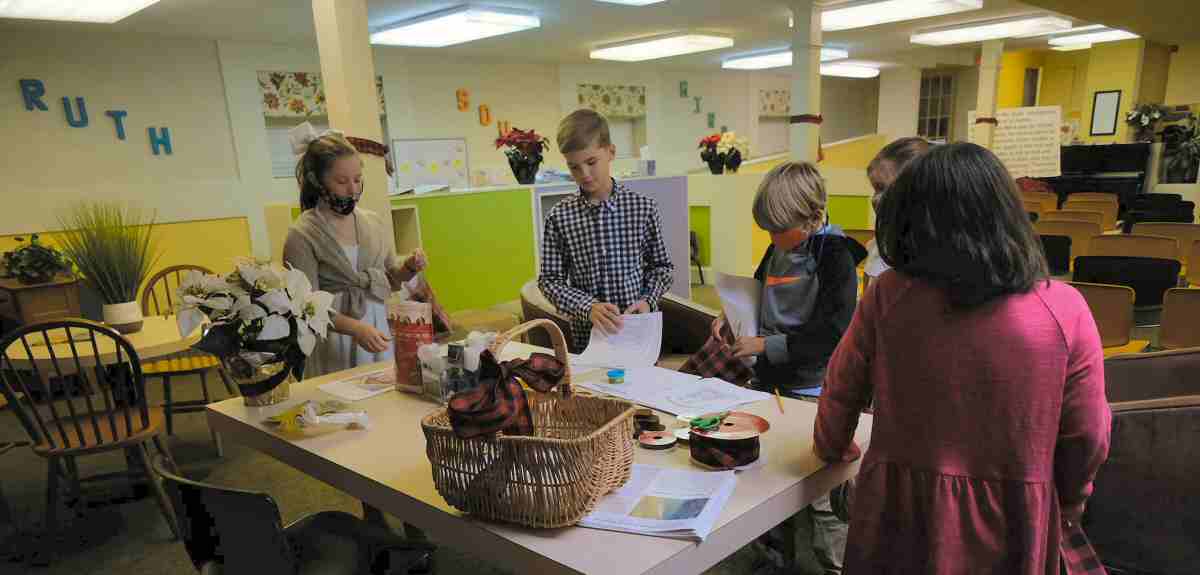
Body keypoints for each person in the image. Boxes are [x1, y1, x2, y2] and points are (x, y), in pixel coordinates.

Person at [815, 143, 1111, 573]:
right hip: (1012, 517)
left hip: (897, 511)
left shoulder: (889, 293)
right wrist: (1069, 498)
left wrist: (831, 445)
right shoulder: (1065, 309)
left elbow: (841, 387)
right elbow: (1087, 433)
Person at [704, 161, 859, 574]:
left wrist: (766, 344)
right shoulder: (779, 249)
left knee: (822, 495)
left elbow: (831, 333)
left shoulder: (837, 259)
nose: (771, 239)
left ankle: (834, 566)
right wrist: (729, 319)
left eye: (777, 229)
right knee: (771, 482)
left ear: (811, 218)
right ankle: (775, 561)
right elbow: (755, 295)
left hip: (813, 393)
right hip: (769, 387)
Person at [283, 124, 428, 377]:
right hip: (335, 339)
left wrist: (409, 268)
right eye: (341, 181)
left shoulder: (373, 222)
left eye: (358, 179)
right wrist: (356, 329)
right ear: (317, 181)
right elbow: (305, 306)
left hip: (375, 331)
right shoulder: (302, 234)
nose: (352, 189)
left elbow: (390, 278)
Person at [538, 109, 674, 351]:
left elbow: (662, 269)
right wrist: (587, 307)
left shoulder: (643, 208)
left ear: (610, 152)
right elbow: (550, 281)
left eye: (591, 162)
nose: (585, 175)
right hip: (588, 340)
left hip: (637, 334)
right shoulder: (559, 217)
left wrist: (648, 301)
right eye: (574, 167)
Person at [861, 137, 931, 293]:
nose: (875, 198)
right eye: (875, 189)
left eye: (882, 188)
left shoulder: (928, 260)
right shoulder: (878, 247)